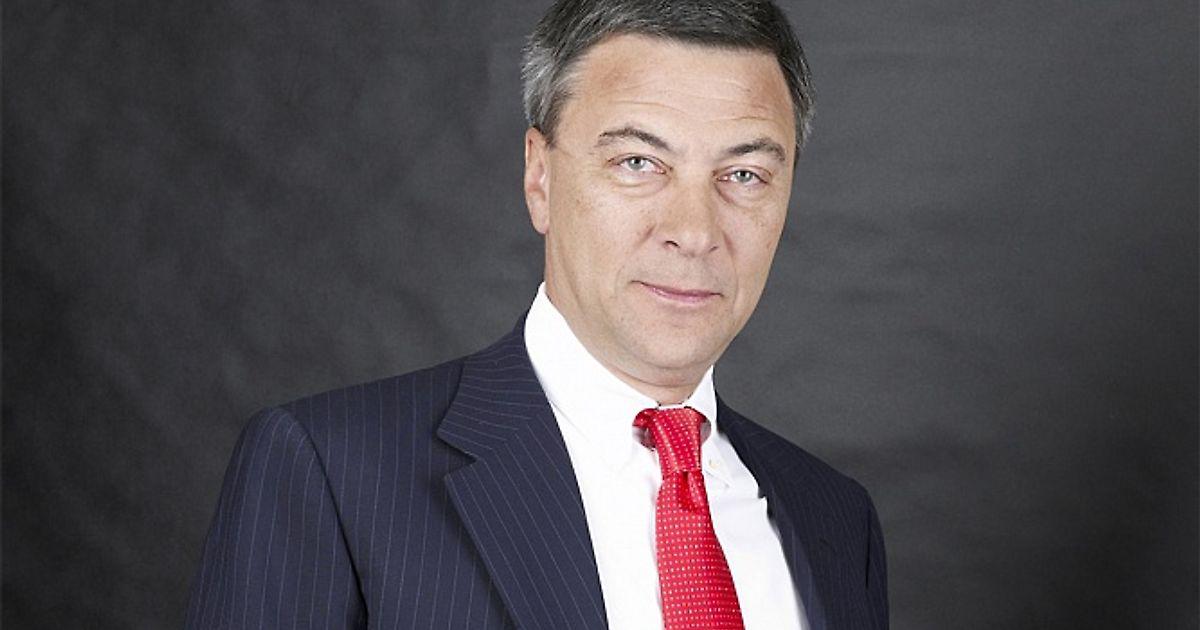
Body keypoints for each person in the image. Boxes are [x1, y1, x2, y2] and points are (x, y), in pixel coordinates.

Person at [184, 1, 888, 628]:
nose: (694, 231)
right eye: (638, 163)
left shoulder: (834, 519)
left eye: (743, 175)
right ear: (540, 177)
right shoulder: (331, 474)